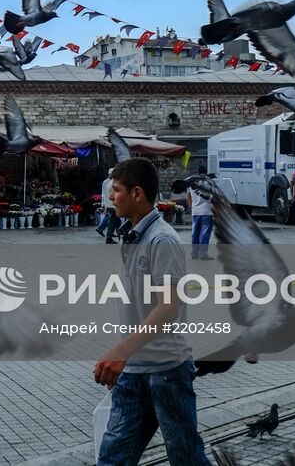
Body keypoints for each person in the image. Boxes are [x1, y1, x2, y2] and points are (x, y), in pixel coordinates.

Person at [93, 157, 211, 466]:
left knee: (186, 459)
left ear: (136, 194)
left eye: (116, 190)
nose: (109, 196)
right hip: (132, 374)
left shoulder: (162, 240)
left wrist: (119, 351)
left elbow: (169, 308)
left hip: (167, 373)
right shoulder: (131, 234)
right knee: (112, 460)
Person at [189, 178, 213, 261]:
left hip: (195, 212)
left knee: (195, 233)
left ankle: (194, 253)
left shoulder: (191, 183)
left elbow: (188, 197)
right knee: (204, 233)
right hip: (207, 212)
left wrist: (192, 206)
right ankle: (203, 254)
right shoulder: (208, 183)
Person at [99, 169, 118, 244]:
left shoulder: (108, 182)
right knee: (113, 221)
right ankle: (109, 237)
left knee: (115, 221)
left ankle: (111, 236)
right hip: (112, 205)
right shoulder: (111, 182)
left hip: (110, 204)